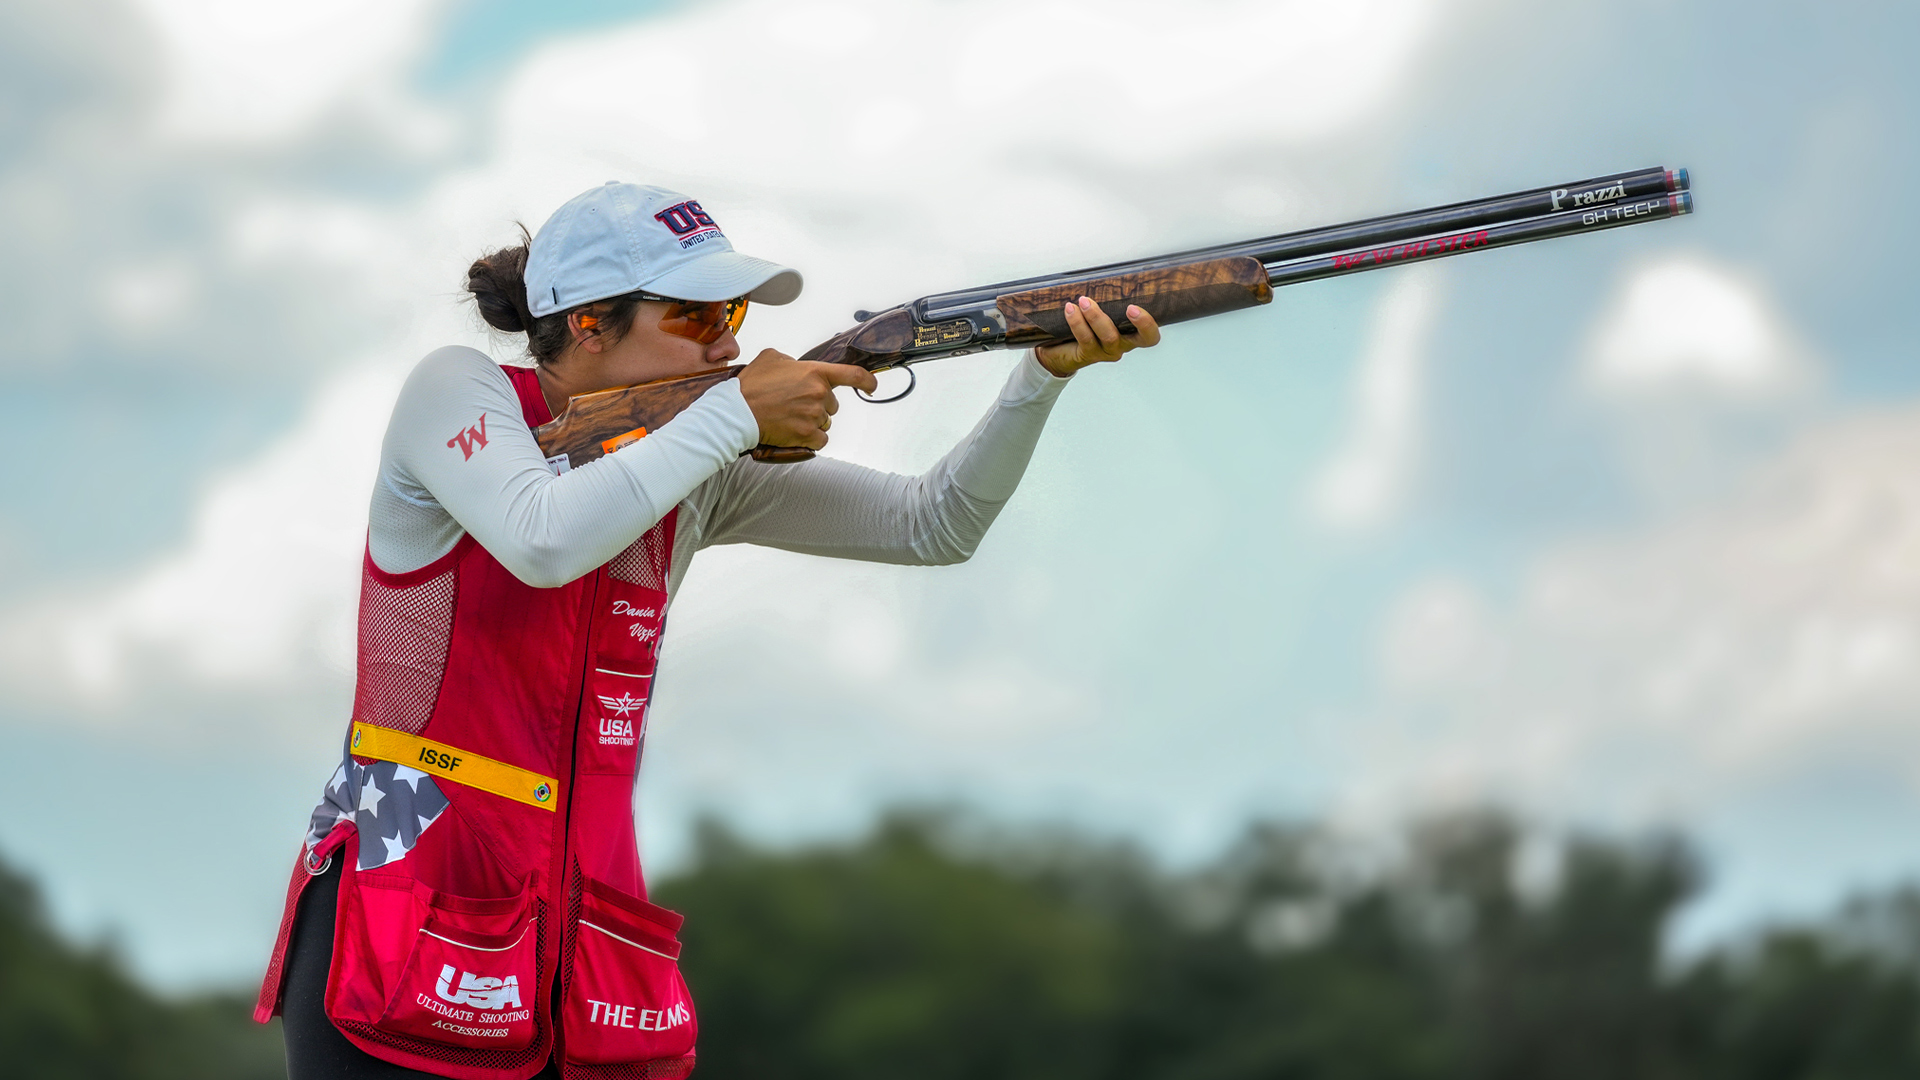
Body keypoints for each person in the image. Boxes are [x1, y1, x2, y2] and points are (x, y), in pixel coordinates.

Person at [252, 181, 1161, 1079]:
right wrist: (733, 415)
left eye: (730, 309)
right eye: (693, 317)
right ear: (587, 322)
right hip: (399, 919)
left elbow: (935, 524)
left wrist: (1039, 377)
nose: (729, 340)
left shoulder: (697, 462)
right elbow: (541, 538)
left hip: (581, 944)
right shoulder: (457, 389)